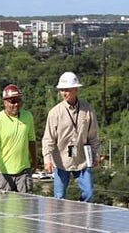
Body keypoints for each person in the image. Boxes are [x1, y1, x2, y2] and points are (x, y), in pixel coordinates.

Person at [42, 71, 101, 202]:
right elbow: (48, 139)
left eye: (67, 90)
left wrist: (96, 155)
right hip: (61, 161)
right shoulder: (55, 113)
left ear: (76, 89)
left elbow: (93, 135)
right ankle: (60, 220)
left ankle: (80, 216)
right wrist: (47, 159)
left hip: (82, 160)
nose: (64, 93)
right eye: (62, 90)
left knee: (89, 193)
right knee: (59, 197)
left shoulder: (87, 109)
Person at [0, 83, 37, 192]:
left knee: (26, 205)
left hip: (23, 172)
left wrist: (34, 161)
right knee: (1, 206)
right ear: (5, 102)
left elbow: (31, 140)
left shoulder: (28, 116)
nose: (16, 104)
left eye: (18, 101)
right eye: (12, 101)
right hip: (3, 174)